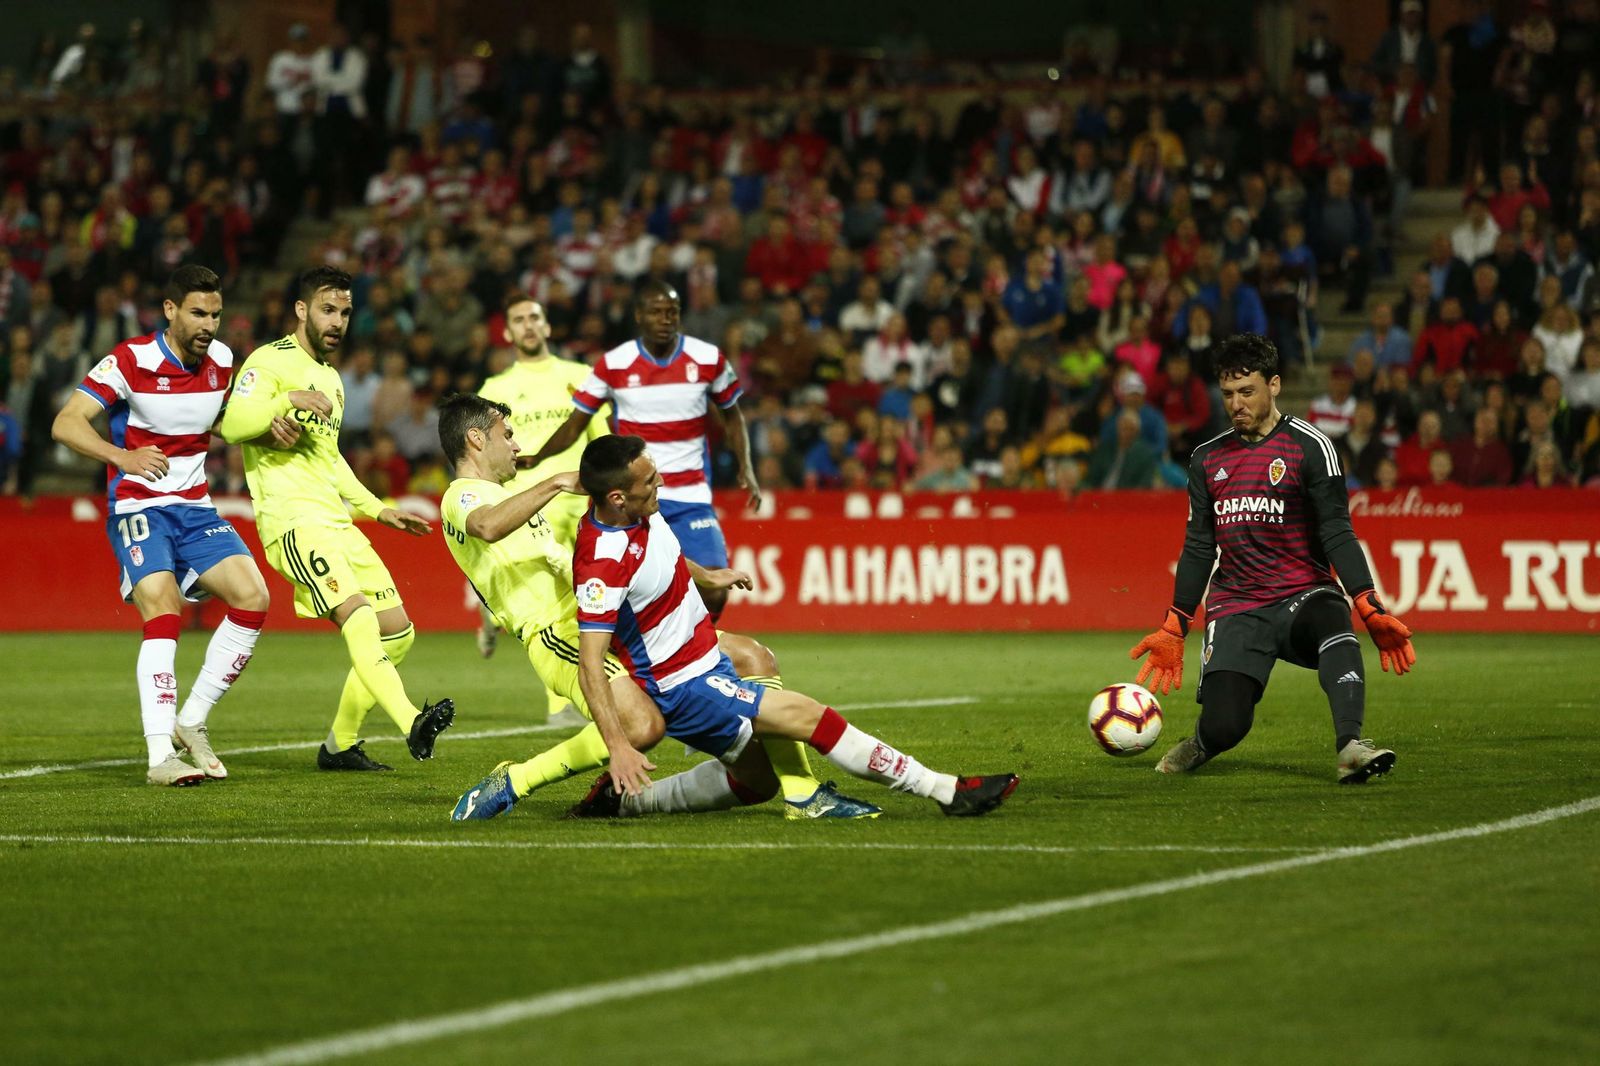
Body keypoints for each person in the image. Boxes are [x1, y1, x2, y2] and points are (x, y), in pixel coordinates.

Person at [436, 394, 879, 821]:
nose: (516, 445)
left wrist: (705, 574)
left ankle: (803, 793)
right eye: (506, 435)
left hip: (610, 618)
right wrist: (553, 481)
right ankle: (514, 781)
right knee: (642, 728)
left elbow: (627, 554)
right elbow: (487, 527)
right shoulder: (463, 496)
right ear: (476, 439)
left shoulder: (513, 500)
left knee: (753, 658)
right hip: (559, 633)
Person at [561, 433, 1018, 819]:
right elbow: (591, 663)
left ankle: (626, 803)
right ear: (617, 497)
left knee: (756, 782)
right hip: (684, 686)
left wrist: (705, 575)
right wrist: (618, 745)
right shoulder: (602, 564)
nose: (659, 481)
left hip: (707, 657)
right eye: (649, 479)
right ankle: (944, 791)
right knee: (807, 716)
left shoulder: (640, 508)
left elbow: (659, 552)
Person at [1130, 334, 1416, 784]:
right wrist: (1175, 623)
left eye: (1247, 392)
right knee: (1228, 725)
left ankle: (1350, 747)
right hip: (1237, 605)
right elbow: (1200, 545)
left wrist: (1367, 601)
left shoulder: (1311, 447)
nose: (1236, 404)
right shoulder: (1207, 459)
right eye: (1228, 394)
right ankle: (1204, 741)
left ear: (1275, 385)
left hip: (1302, 593)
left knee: (1332, 617)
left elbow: (1336, 530)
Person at [220, 267, 454, 771]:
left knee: (399, 631)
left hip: (336, 521)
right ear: (302, 310)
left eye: (346, 312)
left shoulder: (331, 379)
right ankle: (411, 719)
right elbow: (233, 424)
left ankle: (339, 745)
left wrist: (378, 509)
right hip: (292, 522)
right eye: (328, 309)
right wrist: (286, 399)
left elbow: (331, 459)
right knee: (359, 615)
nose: (338, 321)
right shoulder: (270, 360)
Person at [50, 265, 271, 786]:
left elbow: (216, 421)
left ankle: (191, 721)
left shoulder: (221, 361)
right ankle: (159, 758)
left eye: (215, 314)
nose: (208, 324)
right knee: (163, 608)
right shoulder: (131, 359)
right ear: (170, 310)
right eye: (197, 312)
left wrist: (269, 423)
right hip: (139, 506)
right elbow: (65, 422)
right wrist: (118, 455)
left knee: (253, 596)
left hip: (195, 508)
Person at [521, 280, 759, 620]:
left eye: (671, 313)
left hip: (689, 495)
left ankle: (693, 659)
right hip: (629, 495)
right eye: (656, 312)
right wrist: (538, 455)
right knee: (615, 590)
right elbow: (575, 424)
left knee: (714, 592)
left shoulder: (708, 359)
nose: (665, 319)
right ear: (639, 316)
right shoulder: (613, 364)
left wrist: (745, 465)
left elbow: (732, 416)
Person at [473, 294, 609, 676]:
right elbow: (485, 454)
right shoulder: (496, 387)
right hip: (531, 506)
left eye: (535, 317)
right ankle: (562, 701)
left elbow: (601, 435)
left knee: (587, 599)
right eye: (519, 319)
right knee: (556, 605)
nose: (528, 325)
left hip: (583, 501)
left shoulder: (581, 375)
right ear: (507, 332)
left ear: (547, 326)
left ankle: (489, 613)